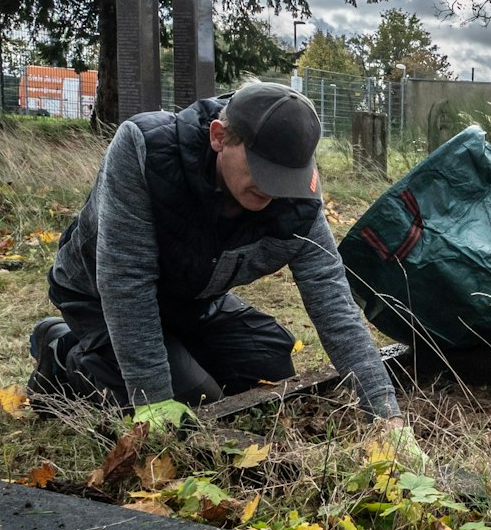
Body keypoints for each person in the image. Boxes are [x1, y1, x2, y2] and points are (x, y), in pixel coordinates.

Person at [27, 82, 401, 432]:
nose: (273, 191)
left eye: (285, 178)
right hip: (98, 296)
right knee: (192, 403)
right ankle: (62, 356)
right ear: (219, 136)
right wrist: (152, 399)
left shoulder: (298, 199)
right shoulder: (147, 152)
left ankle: (176, 355)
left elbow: (332, 301)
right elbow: (126, 282)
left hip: (192, 300)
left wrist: (384, 413)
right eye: (263, 171)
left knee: (270, 366)